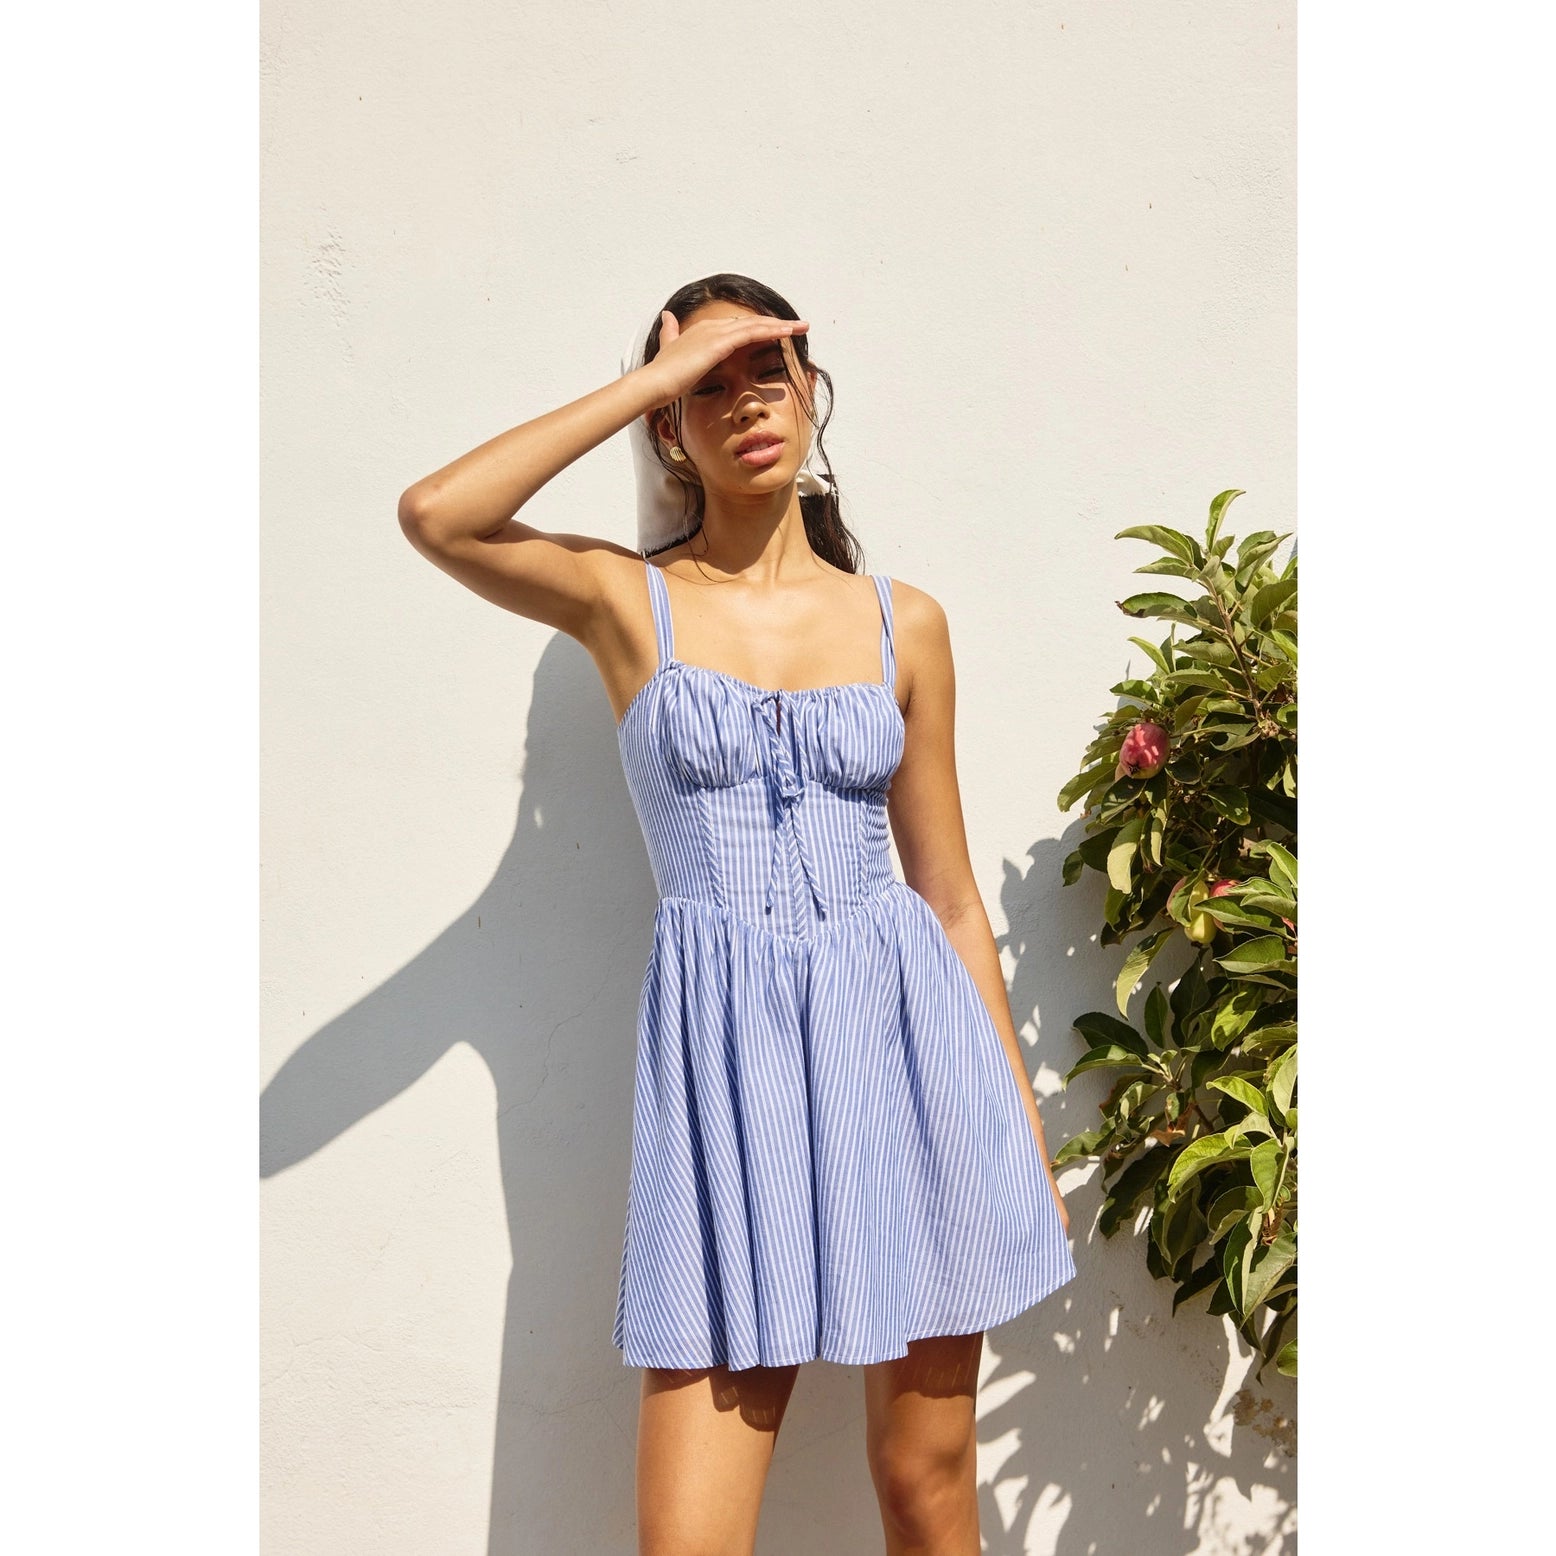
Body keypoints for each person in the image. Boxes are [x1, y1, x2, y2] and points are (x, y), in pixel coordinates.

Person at [398, 273, 1076, 1556]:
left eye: (767, 366)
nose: (743, 399)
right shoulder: (626, 603)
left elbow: (944, 893)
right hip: (728, 1072)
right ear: (668, 425)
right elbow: (439, 513)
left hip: (910, 1060)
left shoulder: (903, 623)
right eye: (706, 383)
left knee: (925, 1489)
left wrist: (1018, 1128)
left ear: (811, 388)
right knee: (689, 1538)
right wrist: (648, 381)